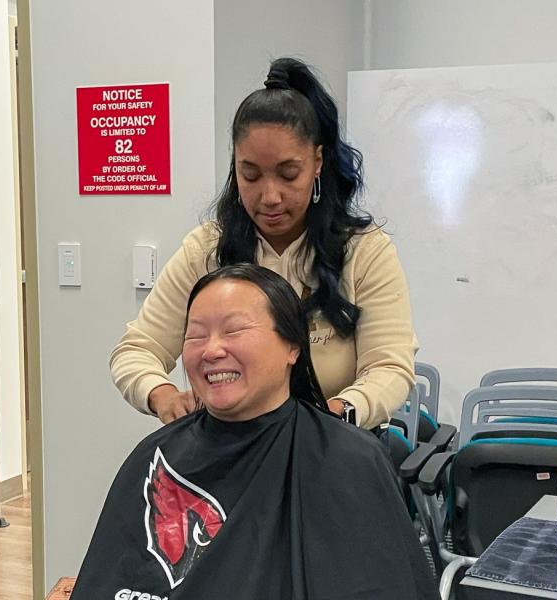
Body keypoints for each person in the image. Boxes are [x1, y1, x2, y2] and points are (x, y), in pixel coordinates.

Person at [73, 265, 439, 600]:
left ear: (293, 346)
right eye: (196, 335)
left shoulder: (348, 460)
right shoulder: (156, 456)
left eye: (234, 330)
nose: (212, 350)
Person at [111, 57, 416, 430]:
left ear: (317, 162)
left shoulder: (364, 252)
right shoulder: (207, 250)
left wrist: (332, 417)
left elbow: (390, 367)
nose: (269, 196)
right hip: (231, 461)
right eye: (250, 175)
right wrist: (162, 396)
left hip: (334, 450)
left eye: (289, 174)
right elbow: (136, 351)